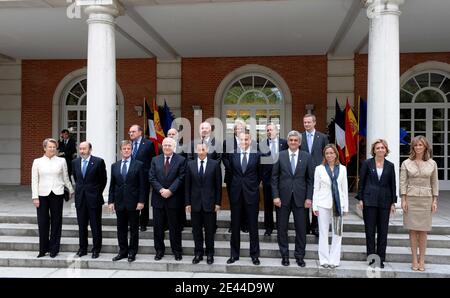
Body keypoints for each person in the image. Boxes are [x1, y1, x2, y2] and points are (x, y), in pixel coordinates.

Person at [272, 130, 313, 267]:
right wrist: (275, 196)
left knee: (301, 229)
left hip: (301, 199)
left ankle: (299, 256)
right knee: (282, 228)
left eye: (296, 140)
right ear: (288, 142)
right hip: (282, 199)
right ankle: (284, 255)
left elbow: (310, 180)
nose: (293, 142)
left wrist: (309, 198)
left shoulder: (306, 156)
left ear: (299, 142)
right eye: (291, 140)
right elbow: (274, 178)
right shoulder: (280, 155)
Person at [400, 135, 438, 272]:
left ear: (425, 147)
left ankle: (422, 260)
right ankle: (414, 260)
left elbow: (434, 182)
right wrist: (403, 199)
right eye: (416, 145)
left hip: (426, 200)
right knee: (413, 230)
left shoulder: (432, 163)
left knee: (423, 231)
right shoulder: (406, 163)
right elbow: (403, 182)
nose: (418, 147)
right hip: (411, 199)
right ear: (413, 147)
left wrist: (435, 200)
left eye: (420, 145)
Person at [357, 139, 396, 269]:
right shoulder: (367, 164)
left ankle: (381, 258)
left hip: (385, 201)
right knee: (370, 231)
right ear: (374, 150)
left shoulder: (390, 165)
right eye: (378, 148)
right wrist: (361, 199)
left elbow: (393, 185)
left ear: (386, 150)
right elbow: (361, 182)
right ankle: (372, 258)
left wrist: (393, 202)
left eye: (382, 148)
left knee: (383, 232)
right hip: (369, 201)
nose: (380, 150)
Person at [32, 138, 74, 258]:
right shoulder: (37, 162)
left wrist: (71, 190)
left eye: (54, 147)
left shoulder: (61, 161)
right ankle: (43, 249)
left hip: (57, 193)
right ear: (44, 148)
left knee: (57, 222)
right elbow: (34, 180)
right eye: (49, 147)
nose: (52, 149)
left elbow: (66, 177)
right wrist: (35, 197)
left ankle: (54, 249)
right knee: (43, 222)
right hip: (42, 194)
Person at [225, 130, 261, 266]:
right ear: (238, 140)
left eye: (246, 139)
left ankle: (255, 255)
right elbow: (232, 172)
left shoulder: (257, 155)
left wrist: (251, 186)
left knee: (253, 226)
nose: (244, 142)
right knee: (235, 226)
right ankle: (234, 254)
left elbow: (259, 174)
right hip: (236, 194)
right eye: (241, 139)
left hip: (252, 194)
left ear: (250, 140)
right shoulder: (232, 154)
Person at [149, 137, 186, 261]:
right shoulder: (155, 160)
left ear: (174, 146)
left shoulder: (181, 160)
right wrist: (161, 190)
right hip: (158, 199)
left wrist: (170, 190)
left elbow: (181, 177)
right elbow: (152, 177)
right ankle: (159, 251)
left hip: (174, 199)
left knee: (174, 228)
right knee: (158, 228)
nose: (166, 147)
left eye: (169, 145)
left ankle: (177, 251)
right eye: (165, 145)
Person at [185, 142, 222, 265]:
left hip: (210, 204)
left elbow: (218, 186)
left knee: (210, 231)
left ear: (207, 150)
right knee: (196, 231)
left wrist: (218, 203)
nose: (201, 152)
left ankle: (210, 254)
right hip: (194, 204)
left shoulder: (215, 165)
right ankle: (198, 253)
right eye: (199, 150)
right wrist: (187, 203)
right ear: (196, 151)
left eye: (203, 149)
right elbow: (187, 186)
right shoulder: (190, 165)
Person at [108, 140, 145, 263]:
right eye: (124, 149)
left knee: (134, 229)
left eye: (128, 148)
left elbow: (142, 185)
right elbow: (112, 185)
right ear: (120, 151)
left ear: (131, 150)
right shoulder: (115, 165)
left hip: (134, 202)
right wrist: (111, 201)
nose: (126, 150)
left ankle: (132, 252)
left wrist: (141, 201)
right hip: (119, 202)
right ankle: (122, 251)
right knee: (121, 229)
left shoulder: (139, 165)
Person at [312, 144, 348, 269]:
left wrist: (346, 207)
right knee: (323, 232)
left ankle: (334, 260)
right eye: (327, 153)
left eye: (331, 153)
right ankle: (324, 259)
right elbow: (316, 188)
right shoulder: (319, 169)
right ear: (324, 155)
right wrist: (314, 206)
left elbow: (344, 189)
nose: (329, 155)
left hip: (338, 205)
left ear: (336, 154)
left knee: (337, 232)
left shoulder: (342, 169)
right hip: (323, 204)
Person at [71, 141, 107, 259]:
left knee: (95, 225)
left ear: (90, 149)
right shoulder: (75, 162)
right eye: (80, 149)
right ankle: (83, 248)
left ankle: (96, 249)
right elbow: (77, 179)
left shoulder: (98, 162)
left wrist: (96, 192)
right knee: (82, 225)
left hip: (94, 199)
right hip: (80, 199)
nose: (82, 151)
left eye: (84, 149)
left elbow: (103, 180)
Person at [301, 114, 328, 237]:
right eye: (305, 122)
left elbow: (326, 154)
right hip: (303, 173)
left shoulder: (322, 137)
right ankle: (305, 225)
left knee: (317, 199)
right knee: (304, 199)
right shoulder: (300, 137)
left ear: (314, 123)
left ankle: (315, 225)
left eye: (308, 122)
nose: (306, 124)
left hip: (319, 173)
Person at [261, 123, 287, 236]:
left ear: (277, 131)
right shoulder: (262, 144)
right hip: (267, 180)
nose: (269, 132)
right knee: (268, 205)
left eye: (271, 130)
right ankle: (269, 227)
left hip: (281, 179)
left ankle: (281, 227)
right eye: (267, 130)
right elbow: (260, 162)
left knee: (280, 205)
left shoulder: (285, 143)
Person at [128, 124, 156, 232]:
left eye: (133, 131)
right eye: (130, 132)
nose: (131, 133)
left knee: (143, 199)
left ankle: (143, 223)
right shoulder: (128, 144)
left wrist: (150, 175)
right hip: (130, 177)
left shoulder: (148, 144)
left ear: (140, 132)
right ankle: (132, 223)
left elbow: (152, 160)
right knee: (131, 200)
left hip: (144, 177)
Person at [223, 119, 249, 233]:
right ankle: (234, 224)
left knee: (245, 201)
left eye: (240, 128)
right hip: (232, 177)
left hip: (246, 178)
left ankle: (244, 224)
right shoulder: (227, 142)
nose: (238, 130)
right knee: (234, 202)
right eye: (236, 128)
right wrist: (233, 168)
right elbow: (224, 158)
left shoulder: (249, 142)